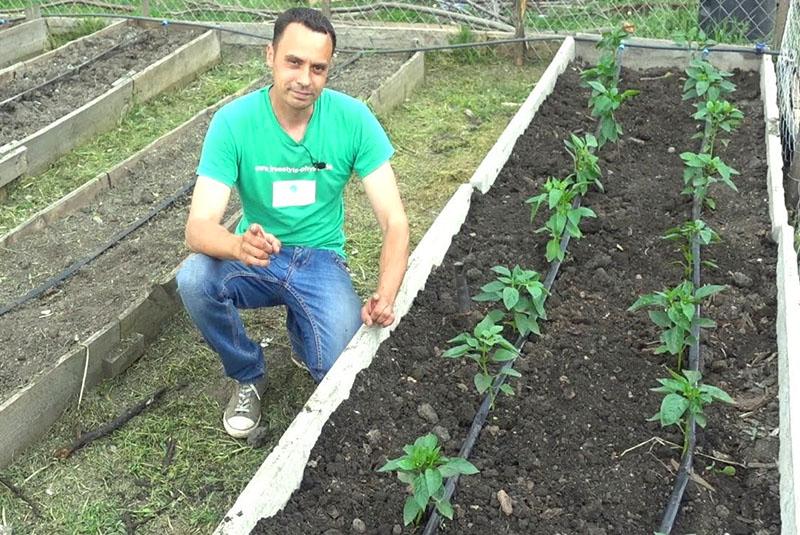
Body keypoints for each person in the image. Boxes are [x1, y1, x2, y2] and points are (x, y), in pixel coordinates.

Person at [176, 7, 409, 439]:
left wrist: (387, 293)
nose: (305, 78)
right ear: (270, 56)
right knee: (193, 279)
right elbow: (198, 227)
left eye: (318, 68)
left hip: (321, 260)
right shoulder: (233, 123)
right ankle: (248, 372)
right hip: (260, 254)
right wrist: (237, 245)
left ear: (328, 69)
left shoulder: (353, 119)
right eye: (294, 62)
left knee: (341, 370)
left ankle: (305, 337)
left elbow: (394, 220)